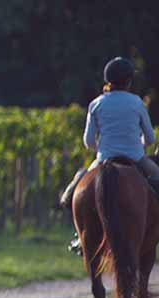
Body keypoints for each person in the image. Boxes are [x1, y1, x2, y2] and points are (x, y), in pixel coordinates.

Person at [60, 56, 159, 252]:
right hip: (136, 158)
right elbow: (150, 139)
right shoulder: (137, 102)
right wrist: (137, 143)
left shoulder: (96, 104)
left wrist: (104, 147)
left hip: (104, 158)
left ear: (107, 81)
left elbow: (88, 142)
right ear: (129, 81)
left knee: (79, 185)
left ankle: (80, 237)